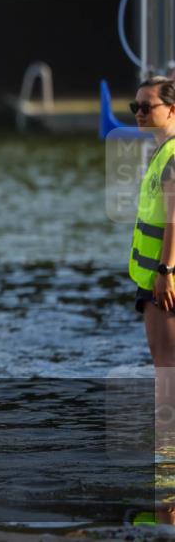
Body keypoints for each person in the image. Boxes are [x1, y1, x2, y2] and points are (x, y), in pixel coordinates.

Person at [129, 76, 175, 478]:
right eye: (136, 107)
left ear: (172, 111)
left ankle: (166, 450)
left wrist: (166, 270)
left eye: (148, 106)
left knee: (166, 363)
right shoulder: (162, 152)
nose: (140, 113)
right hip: (156, 274)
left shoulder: (173, 154)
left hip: (163, 277)